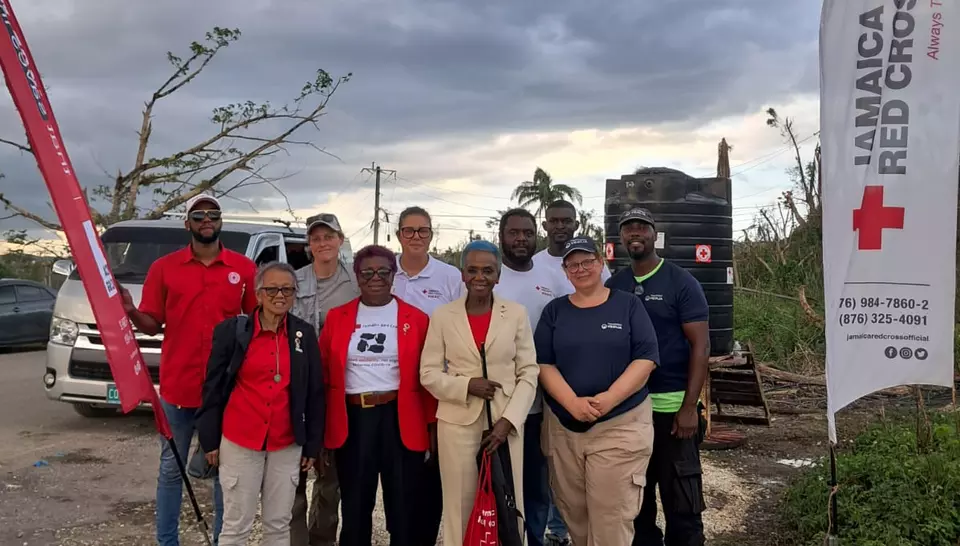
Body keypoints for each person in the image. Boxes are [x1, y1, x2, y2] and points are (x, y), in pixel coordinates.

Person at [120, 194, 256, 546]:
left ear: (221, 220)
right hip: (178, 388)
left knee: (226, 475)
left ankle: (224, 539)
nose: (206, 220)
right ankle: (168, 541)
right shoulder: (164, 268)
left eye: (212, 215)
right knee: (171, 470)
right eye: (199, 216)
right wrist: (132, 311)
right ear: (188, 223)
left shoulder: (243, 269)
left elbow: (258, 323)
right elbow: (152, 324)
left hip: (225, 392)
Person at [533, 236, 658, 546]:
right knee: (574, 514)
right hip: (565, 427)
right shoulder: (555, 311)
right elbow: (543, 364)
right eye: (572, 264)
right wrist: (572, 403)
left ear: (601, 263)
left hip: (619, 424)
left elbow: (646, 359)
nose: (581, 268)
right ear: (564, 271)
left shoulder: (628, 305)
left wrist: (608, 399)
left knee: (610, 518)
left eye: (587, 261)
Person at [420, 239, 540, 546]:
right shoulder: (443, 316)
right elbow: (428, 373)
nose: (479, 277)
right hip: (457, 423)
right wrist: (466, 386)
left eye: (487, 270)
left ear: (498, 275)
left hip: (503, 425)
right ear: (462, 274)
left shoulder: (515, 314)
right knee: (459, 506)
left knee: (506, 504)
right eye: (472, 270)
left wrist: (509, 421)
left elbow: (529, 372)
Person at [195, 262, 325, 545]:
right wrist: (209, 439)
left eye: (287, 290)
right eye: (272, 289)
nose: (280, 296)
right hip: (241, 440)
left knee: (278, 525)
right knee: (236, 525)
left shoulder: (304, 334)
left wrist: (312, 445)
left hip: (286, 442)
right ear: (257, 294)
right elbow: (213, 387)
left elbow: (315, 393)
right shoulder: (233, 331)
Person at [606, 208, 711, 546]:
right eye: (628, 229)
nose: (634, 234)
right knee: (636, 504)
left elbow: (701, 347)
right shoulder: (615, 285)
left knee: (683, 502)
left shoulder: (681, 282)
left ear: (655, 234)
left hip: (672, 410)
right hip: (629, 412)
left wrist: (689, 407)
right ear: (621, 237)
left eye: (642, 228)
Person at [320, 245, 434, 546]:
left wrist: (432, 428)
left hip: (400, 417)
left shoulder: (417, 319)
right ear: (356, 276)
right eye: (367, 272)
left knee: (403, 506)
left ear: (393, 275)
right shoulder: (337, 317)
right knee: (356, 505)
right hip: (354, 419)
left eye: (383, 271)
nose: (376, 278)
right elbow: (324, 373)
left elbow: (428, 376)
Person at [493, 208, 567, 546]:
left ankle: (535, 539)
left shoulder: (552, 277)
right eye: (514, 232)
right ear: (502, 236)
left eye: (527, 232)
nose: (520, 238)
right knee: (499, 482)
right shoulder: (492, 278)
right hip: (495, 402)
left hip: (540, 402)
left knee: (537, 485)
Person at [389, 206, 461, 544]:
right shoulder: (385, 273)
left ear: (432, 235)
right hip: (391, 390)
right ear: (398, 233)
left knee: (431, 473)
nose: (416, 237)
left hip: (435, 391)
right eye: (409, 230)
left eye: (423, 230)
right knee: (397, 475)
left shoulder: (449, 277)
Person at [290, 212, 360, 546]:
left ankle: (322, 540)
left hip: (338, 389)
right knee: (292, 476)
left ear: (340, 240)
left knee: (330, 480)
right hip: (297, 389)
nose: (323, 243)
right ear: (309, 245)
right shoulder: (292, 281)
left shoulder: (356, 283)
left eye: (329, 236)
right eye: (316, 238)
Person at [533, 199, 611, 294]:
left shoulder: (593, 263)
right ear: (545, 226)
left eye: (566, 221)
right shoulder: (534, 263)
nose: (560, 226)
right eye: (553, 221)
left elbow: (608, 296)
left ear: (576, 225)